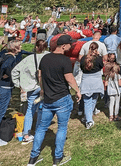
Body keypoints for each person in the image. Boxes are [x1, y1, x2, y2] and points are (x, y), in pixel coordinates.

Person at [27, 34, 81, 166]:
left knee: (41, 128)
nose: (71, 47)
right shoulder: (65, 60)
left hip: (48, 99)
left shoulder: (45, 58)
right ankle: (57, 158)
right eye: (70, 45)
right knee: (62, 128)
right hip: (62, 98)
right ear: (63, 46)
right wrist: (78, 91)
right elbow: (69, 79)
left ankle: (33, 158)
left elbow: (40, 75)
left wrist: (42, 89)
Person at [11, 39, 49, 144]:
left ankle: (26, 134)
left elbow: (14, 71)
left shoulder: (28, 59)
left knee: (30, 109)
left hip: (31, 87)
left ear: (36, 47)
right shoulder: (49, 57)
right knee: (42, 108)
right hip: (45, 86)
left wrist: (18, 84)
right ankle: (39, 131)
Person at [0, 40, 22, 146]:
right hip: (5, 87)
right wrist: (8, 74)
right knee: (0, 111)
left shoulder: (4, 54)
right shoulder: (11, 58)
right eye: (19, 46)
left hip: (2, 86)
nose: (21, 47)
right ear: (15, 48)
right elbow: (6, 68)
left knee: (0, 110)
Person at [80, 42, 104, 130]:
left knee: (87, 101)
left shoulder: (83, 58)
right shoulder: (98, 58)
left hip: (86, 80)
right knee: (94, 99)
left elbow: (81, 68)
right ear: (96, 49)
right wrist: (99, 56)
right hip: (96, 80)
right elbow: (101, 66)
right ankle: (89, 119)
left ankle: (88, 118)